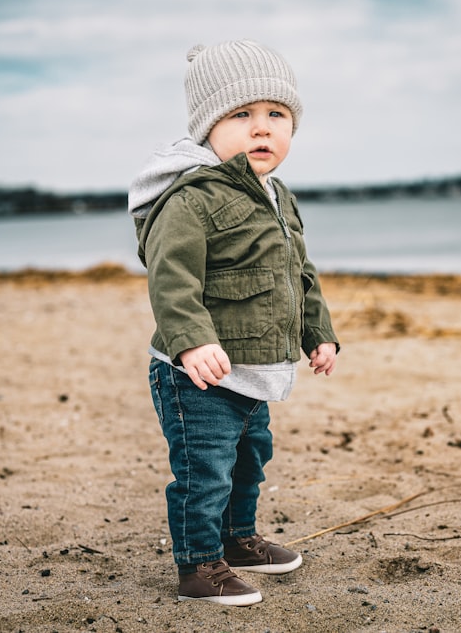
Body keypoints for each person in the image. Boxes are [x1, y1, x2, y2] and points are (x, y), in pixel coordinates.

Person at [128, 39, 340, 606]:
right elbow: (171, 278)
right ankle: (199, 567)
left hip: (254, 369)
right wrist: (190, 341)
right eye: (241, 115)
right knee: (206, 472)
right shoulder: (191, 197)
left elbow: (300, 272)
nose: (261, 128)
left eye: (277, 115)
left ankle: (239, 540)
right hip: (198, 374)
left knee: (250, 462)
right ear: (207, 128)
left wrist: (317, 332)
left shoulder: (277, 196)